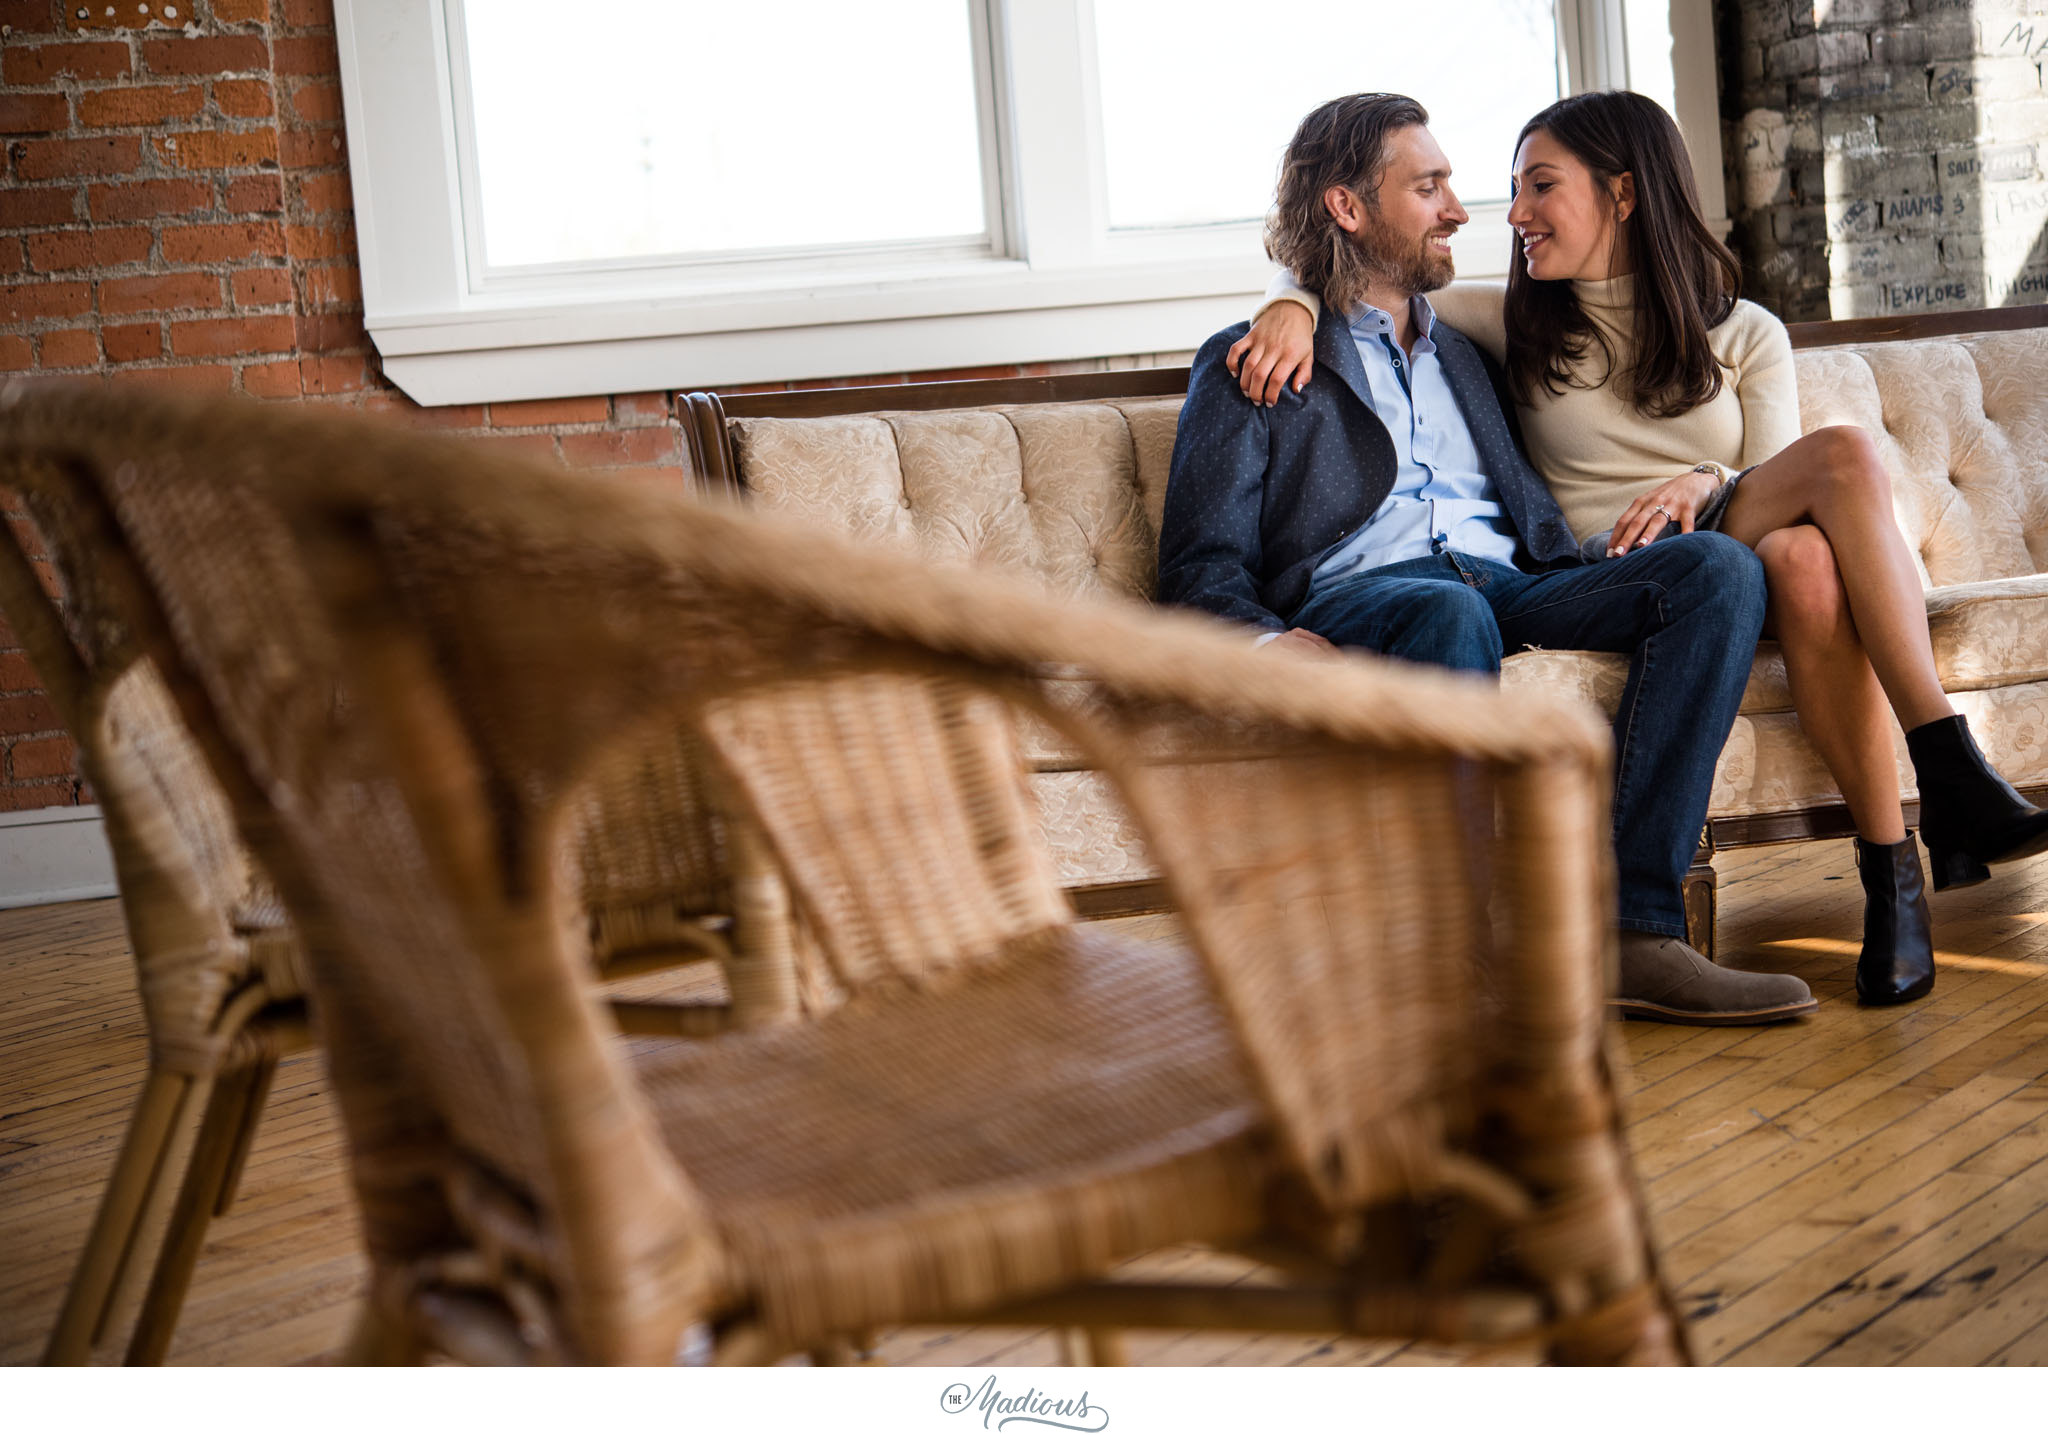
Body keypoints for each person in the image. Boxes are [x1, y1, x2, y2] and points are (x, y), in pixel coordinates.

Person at [1233, 90, 2048, 1007]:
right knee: (1792, 545)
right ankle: (1944, 777)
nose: (1508, 215)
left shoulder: (1746, 332)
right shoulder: (1510, 321)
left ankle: (1889, 856)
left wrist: (1706, 478)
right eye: (1501, 190)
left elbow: (1779, 483)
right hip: (1594, 567)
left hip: (1730, 536)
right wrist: (1286, 305)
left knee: (1803, 555)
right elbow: (1355, 281)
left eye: (1540, 186)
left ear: (1622, 195)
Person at [1160, 92, 1815, 1026]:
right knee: (1446, 611)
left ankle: (1636, 932)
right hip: (1365, 597)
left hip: (1510, 584)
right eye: (1429, 187)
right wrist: (1268, 648)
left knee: (1718, 569)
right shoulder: (1251, 364)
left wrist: (1684, 502)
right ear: (1348, 208)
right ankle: (1457, 962)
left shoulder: (1469, 351)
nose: (1464, 211)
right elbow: (1196, 571)